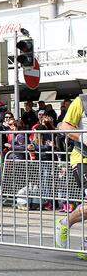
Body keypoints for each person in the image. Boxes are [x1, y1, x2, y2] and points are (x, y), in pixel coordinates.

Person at [56, 95, 87, 260]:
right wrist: (85, 137)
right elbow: (65, 126)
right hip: (83, 158)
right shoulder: (82, 101)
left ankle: (65, 223)